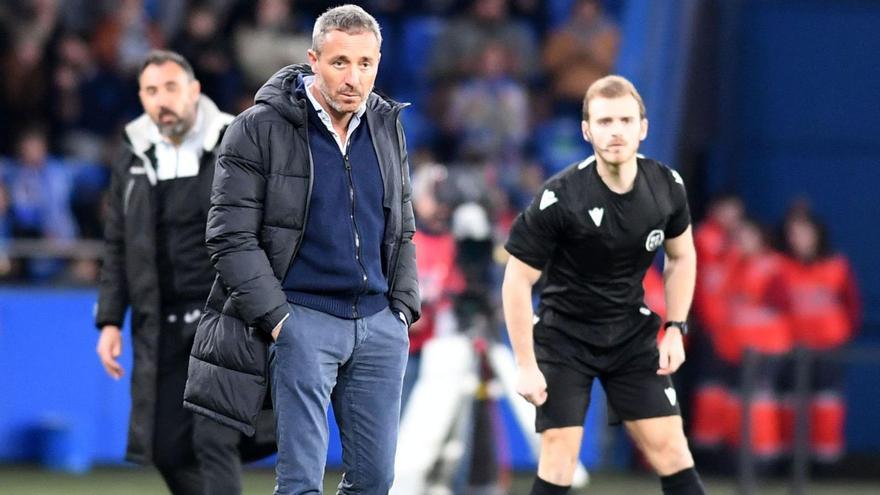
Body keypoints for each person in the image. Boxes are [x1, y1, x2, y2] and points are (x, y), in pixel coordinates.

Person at [181, 5, 420, 494]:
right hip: (302, 319)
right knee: (300, 484)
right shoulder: (257, 128)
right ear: (313, 59)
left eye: (365, 63)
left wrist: (401, 309)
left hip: (378, 324)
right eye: (340, 63)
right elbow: (230, 235)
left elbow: (403, 224)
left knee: (376, 482)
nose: (354, 78)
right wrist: (279, 319)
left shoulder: (386, 122)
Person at [502, 75, 705, 495]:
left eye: (626, 120)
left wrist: (676, 328)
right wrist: (525, 364)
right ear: (586, 130)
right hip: (564, 337)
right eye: (605, 121)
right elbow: (517, 280)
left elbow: (682, 257)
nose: (616, 131)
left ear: (643, 127)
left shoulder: (668, 186)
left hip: (630, 333)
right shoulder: (559, 196)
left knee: (672, 450)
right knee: (559, 456)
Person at [94, 50, 271, 495]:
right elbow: (118, 242)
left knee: (213, 438)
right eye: (151, 91)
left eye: (171, 88)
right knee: (165, 449)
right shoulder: (133, 154)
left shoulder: (237, 138)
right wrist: (110, 319)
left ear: (194, 91)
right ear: (141, 98)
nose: (162, 100)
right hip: (164, 324)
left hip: (228, 318)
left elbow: (271, 224)